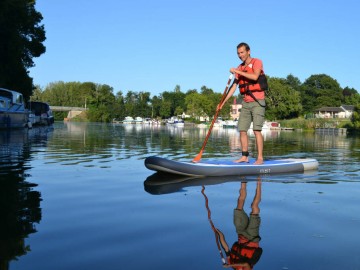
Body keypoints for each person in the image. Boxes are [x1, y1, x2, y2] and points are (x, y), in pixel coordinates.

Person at [218, 42, 266, 165]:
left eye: (242, 52)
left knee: (256, 130)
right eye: (238, 53)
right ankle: (244, 156)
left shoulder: (257, 62)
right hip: (246, 102)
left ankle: (260, 158)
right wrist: (222, 102)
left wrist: (237, 71)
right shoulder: (239, 68)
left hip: (257, 102)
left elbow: (255, 77)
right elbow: (234, 87)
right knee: (242, 129)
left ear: (248, 51)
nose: (240, 55)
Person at [216, 180, 262, 269]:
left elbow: (225, 247)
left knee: (239, 204)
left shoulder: (231, 263)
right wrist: (230, 265)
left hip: (240, 233)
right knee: (254, 207)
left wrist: (218, 232)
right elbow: (246, 264)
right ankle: (259, 182)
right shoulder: (238, 266)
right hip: (252, 238)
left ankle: (243, 180)